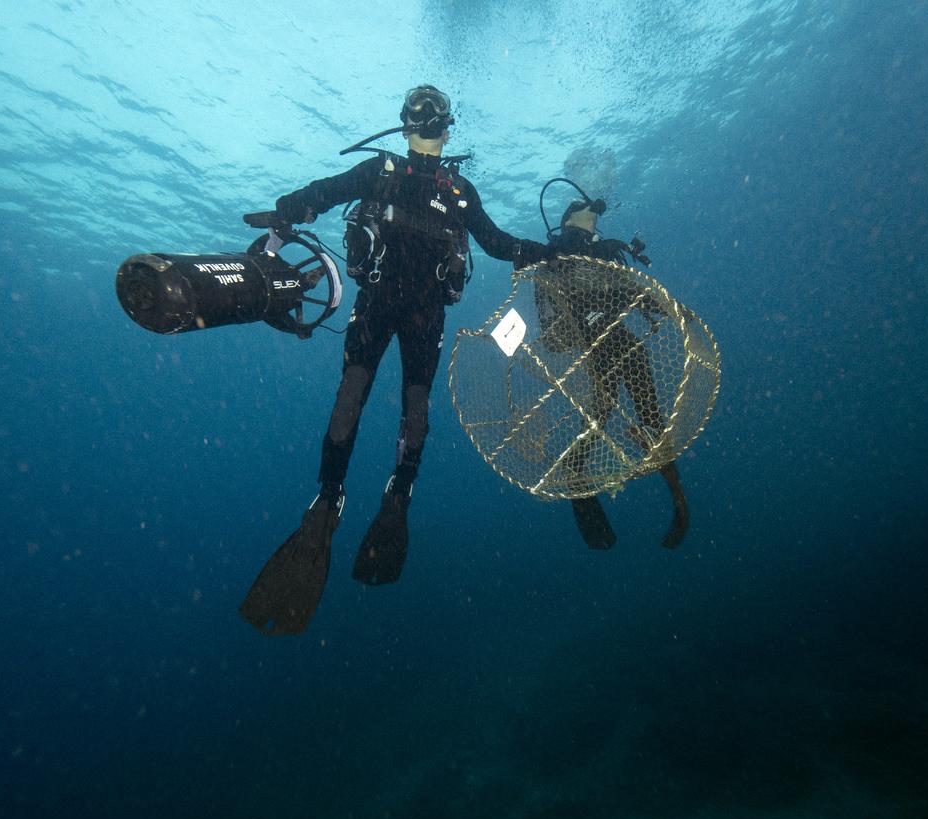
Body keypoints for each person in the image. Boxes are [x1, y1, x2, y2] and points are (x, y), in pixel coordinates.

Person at [239, 85, 549, 635]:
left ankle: (395, 496)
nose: (425, 121)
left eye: (432, 113)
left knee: (413, 409)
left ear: (445, 127)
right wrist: (289, 210)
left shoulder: (459, 190)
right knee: (353, 399)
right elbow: (324, 193)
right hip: (379, 304)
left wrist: (553, 253)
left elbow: (499, 245)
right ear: (407, 124)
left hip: (422, 315)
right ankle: (330, 500)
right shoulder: (377, 170)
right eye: (417, 111)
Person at [536, 195, 689, 551]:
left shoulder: (604, 249)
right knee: (609, 411)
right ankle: (581, 476)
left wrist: (672, 309)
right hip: (593, 338)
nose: (593, 212)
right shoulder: (559, 252)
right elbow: (554, 318)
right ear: (569, 218)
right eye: (584, 208)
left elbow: (632, 291)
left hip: (615, 337)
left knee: (626, 412)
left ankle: (675, 494)